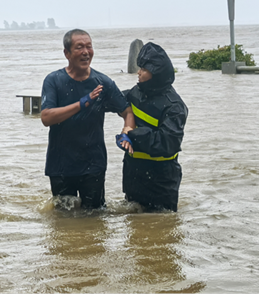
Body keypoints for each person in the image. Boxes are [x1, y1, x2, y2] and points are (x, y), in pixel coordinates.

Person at [41, 29, 135, 209]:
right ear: (67, 53)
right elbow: (46, 117)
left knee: (94, 220)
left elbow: (127, 112)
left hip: (93, 164)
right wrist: (82, 103)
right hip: (60, 165)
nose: (86, 52)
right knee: (62, 222)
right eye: (79, 47)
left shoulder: (103, 83)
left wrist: (127, 131)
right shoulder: (53, 80)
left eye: (89, 47)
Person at [117, 42, 188, 211]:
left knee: (162, 229)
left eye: (143, 69)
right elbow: (116, 99)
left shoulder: (175, 106)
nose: (138, 72)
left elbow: (167, 143)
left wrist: (132, 134)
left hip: (161, 180)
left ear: (155, 74)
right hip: (133, 175)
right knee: (134, 229)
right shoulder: (137, 92)